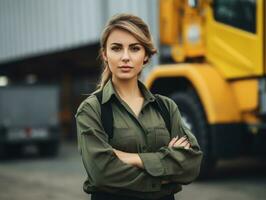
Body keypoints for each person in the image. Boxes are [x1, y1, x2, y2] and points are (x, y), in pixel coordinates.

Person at [76, 13, 203, 200]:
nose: (125, 57)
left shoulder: (166, 107)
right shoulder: (92, 109)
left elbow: (191, 164)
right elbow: (102, 173)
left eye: (135, 48)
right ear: (105, 55)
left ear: (145, 56)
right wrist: (164, 177)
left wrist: (132, 158)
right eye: (116, 48)